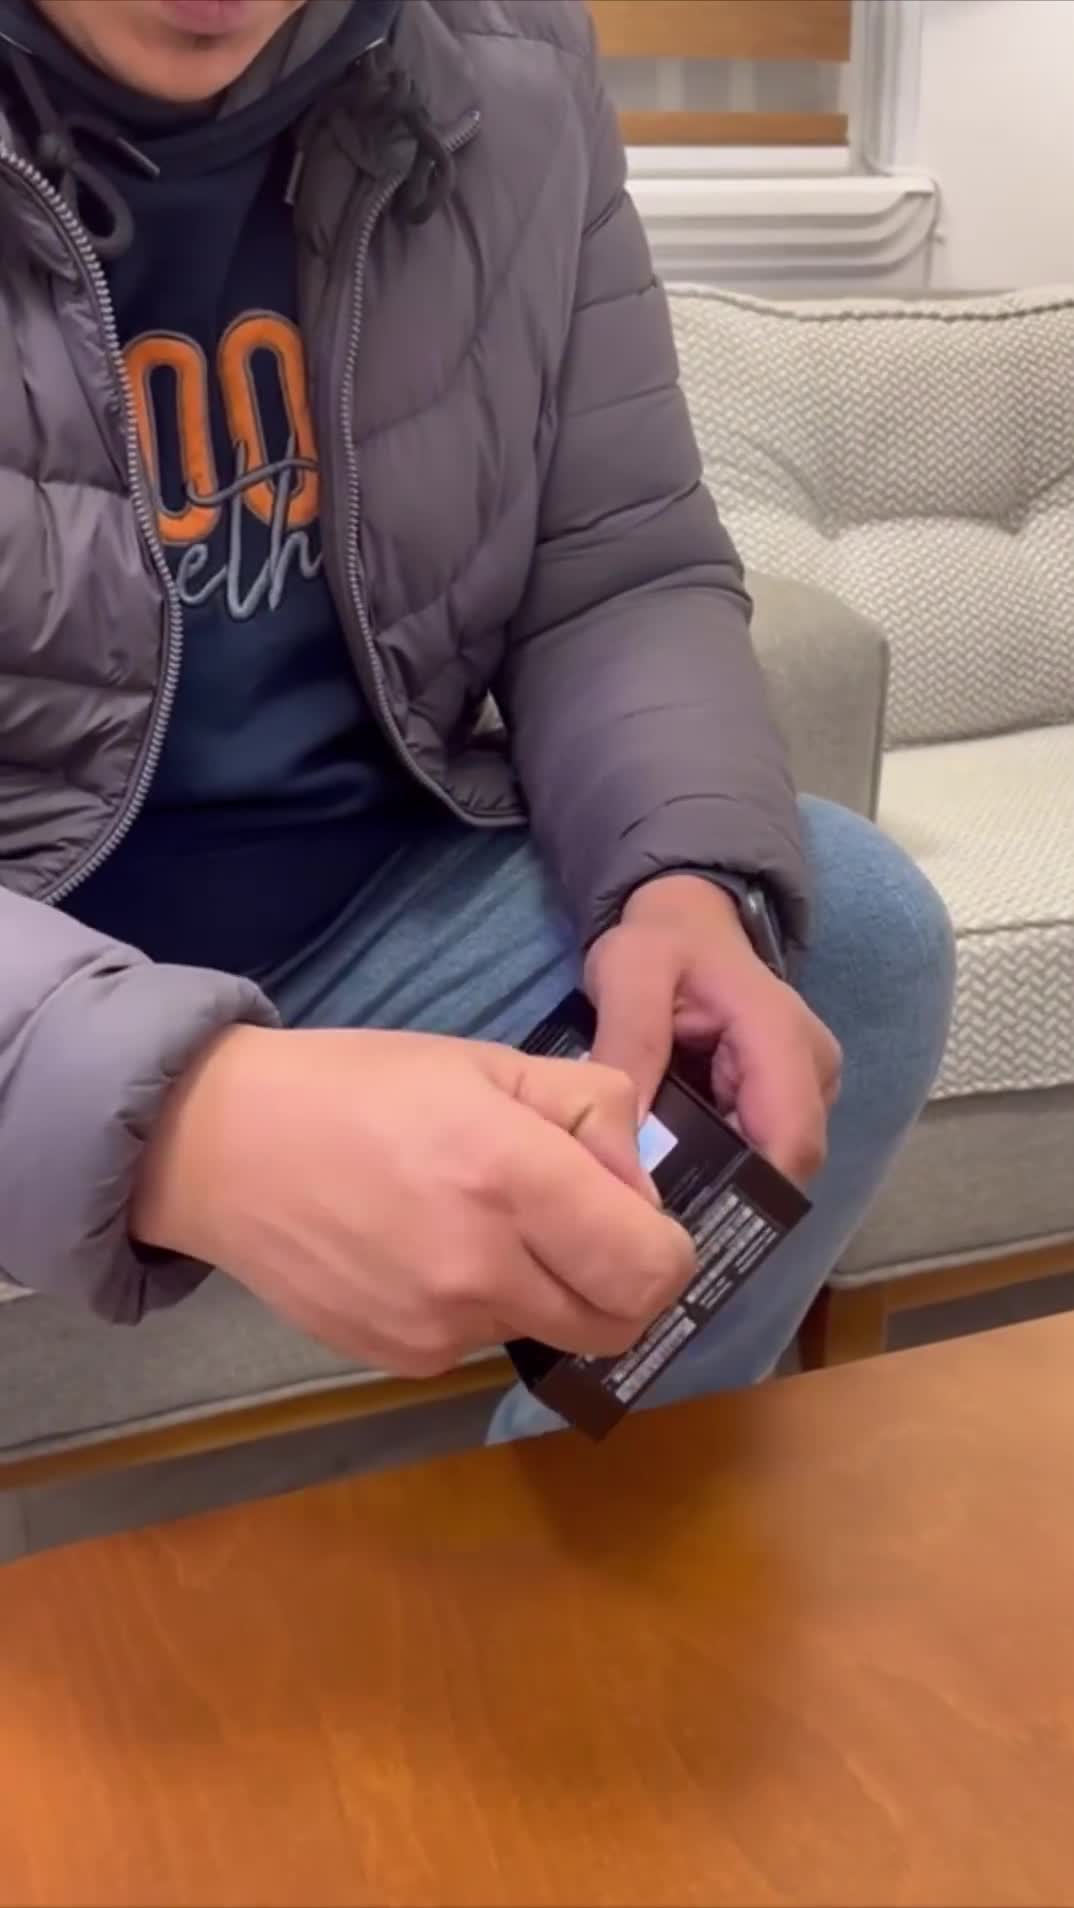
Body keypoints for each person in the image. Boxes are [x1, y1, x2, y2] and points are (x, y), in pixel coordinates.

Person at [0, 0, 953, 1443]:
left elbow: (616, 568)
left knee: (851, 943)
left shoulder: (513, 69)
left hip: (366, 900)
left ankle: (586, 1532)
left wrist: (680, 881)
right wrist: (184, 1120)